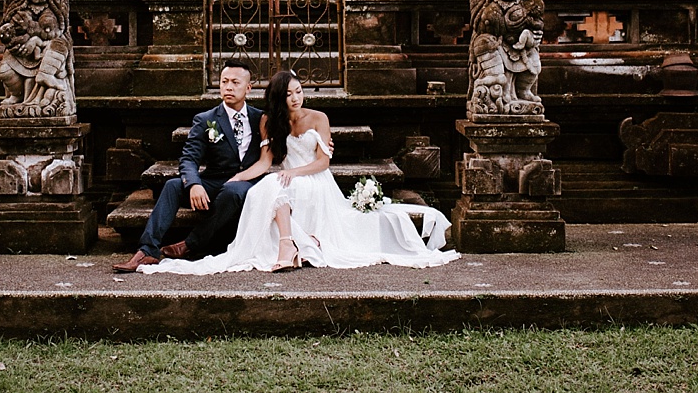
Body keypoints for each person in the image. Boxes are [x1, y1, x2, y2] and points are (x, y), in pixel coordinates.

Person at [142, 70, 458, 275]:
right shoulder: (270, 121)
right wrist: (238, 178)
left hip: (315, 178)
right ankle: (287, 244)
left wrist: (297, 172)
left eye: (299, 91)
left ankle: (296, 242)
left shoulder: (319, 117)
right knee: (267, 187)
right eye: (289, 94)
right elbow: (266, 163)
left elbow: (323, 163)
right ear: (280, 99)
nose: (296, 97)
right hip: (286, 175)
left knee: (283, 185)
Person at [112, 59, 266, 272]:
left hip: (246, 182)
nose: (228, 87)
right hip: (214, 180)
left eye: (235, 83)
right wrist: (194, 183)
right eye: (224, 81)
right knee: (173, 186)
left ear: (248, 88)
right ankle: (146, 251)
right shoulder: (205, 119)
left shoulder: (261, 119)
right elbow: (189, 158)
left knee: (233, 190)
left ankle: (191, 244)